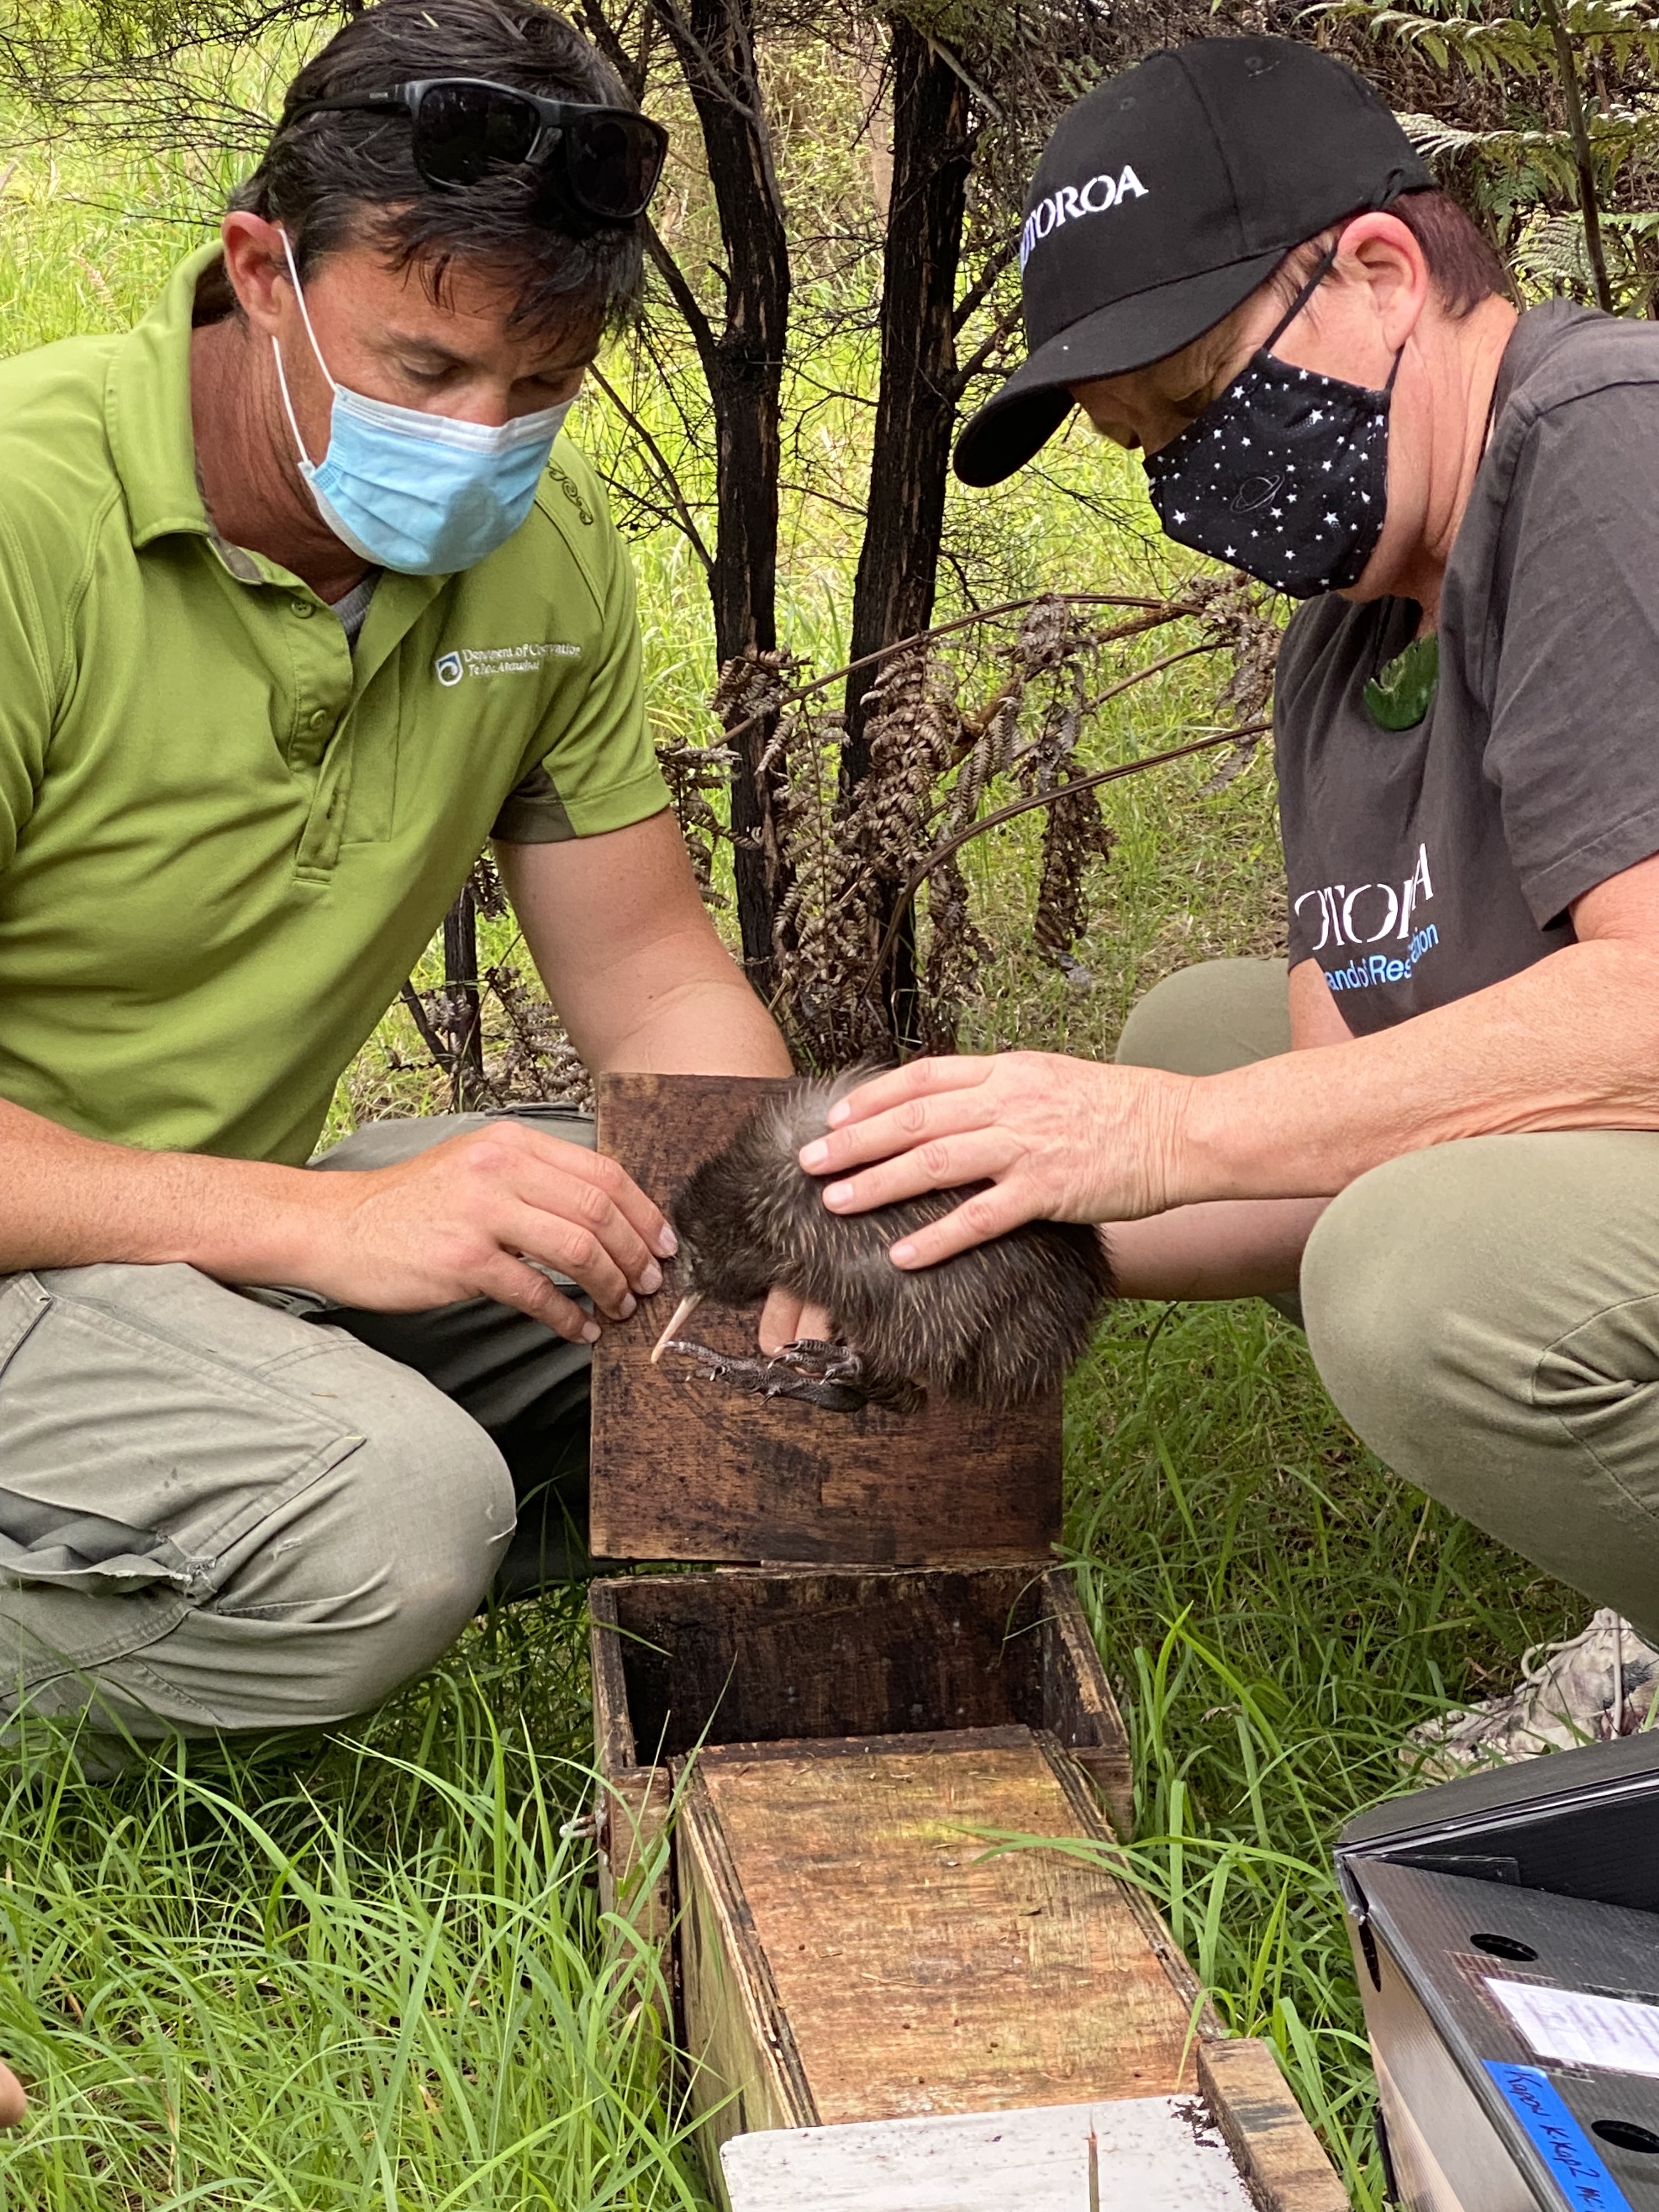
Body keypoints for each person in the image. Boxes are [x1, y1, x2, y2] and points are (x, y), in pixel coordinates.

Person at [801, 35, 1659, 1767]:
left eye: (1197, 409)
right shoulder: (1350, 631)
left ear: (1380, 268)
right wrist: (981, 1239)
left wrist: (1162, 1142)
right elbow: (1318, 1117)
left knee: (1422, 1279)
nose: (1194, 486)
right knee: (1197, 1045)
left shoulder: (1608, 451)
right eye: (1147, 451)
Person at [0, 0, 821, 1760]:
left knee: (734, 1307)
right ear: (262, 269)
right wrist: (328, 1225)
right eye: (423, 370)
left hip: (184, 1242)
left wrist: (786, 1238)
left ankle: (235, 1498)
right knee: (395, 1520)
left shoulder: (549, 556)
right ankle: (298, 1547)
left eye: (542, 388)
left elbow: (661, 978)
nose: (479, 440)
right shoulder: (23, 522)